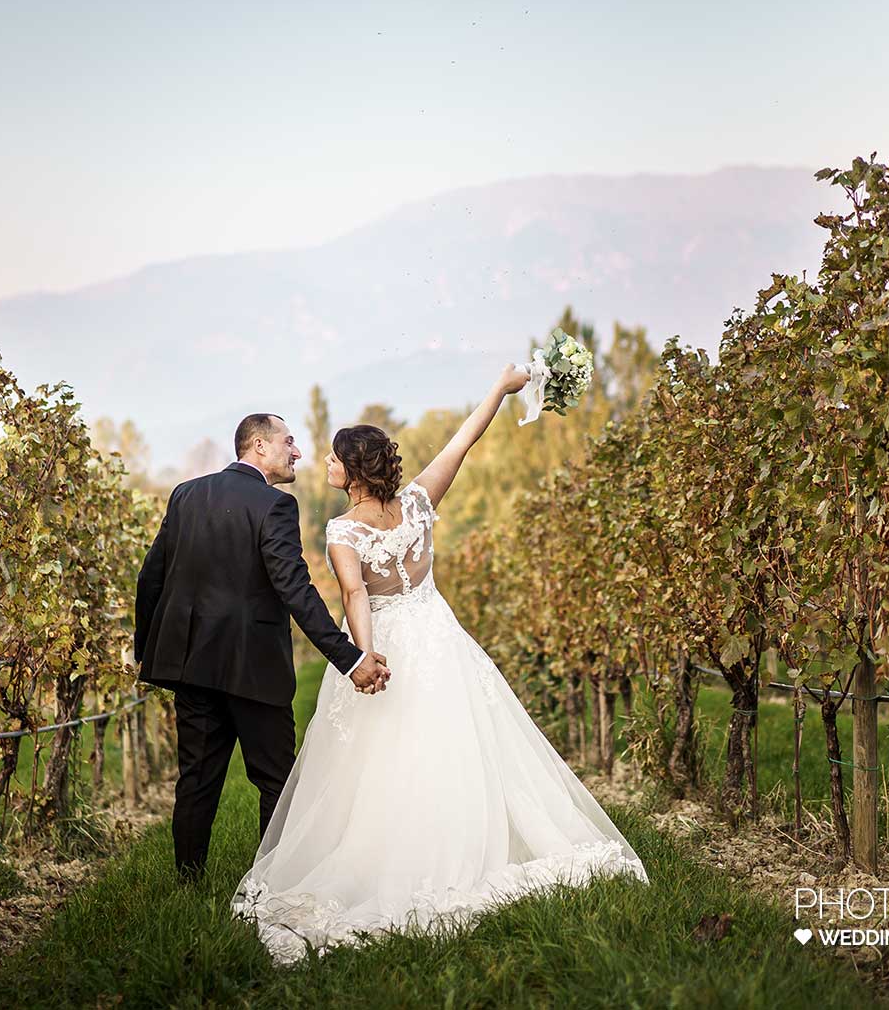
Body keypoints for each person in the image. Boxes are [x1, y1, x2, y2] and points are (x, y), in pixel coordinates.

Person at [229, 364, 649, 963]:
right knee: (459, 744)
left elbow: (354, 597)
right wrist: (501, 391)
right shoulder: (421, 503)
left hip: (390, 641)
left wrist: (365, 659)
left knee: (380, 760)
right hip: (439, 637)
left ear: (351, 471)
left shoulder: (343, 530)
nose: (323, 463)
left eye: (332, 457)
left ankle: (397, 858)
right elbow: (464, 439)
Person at [134, 412, 392, 882]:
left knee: (196, 779)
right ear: (258, 446)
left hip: (190, 664)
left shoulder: (186, 494)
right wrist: (349, 657)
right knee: (275, 779)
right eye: (288, 442)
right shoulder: (275, 505)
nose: (297, 452)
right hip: (254, 669)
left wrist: (149, 652)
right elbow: (295, 590)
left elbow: (150, 576)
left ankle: (188, 882)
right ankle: (270, 883)